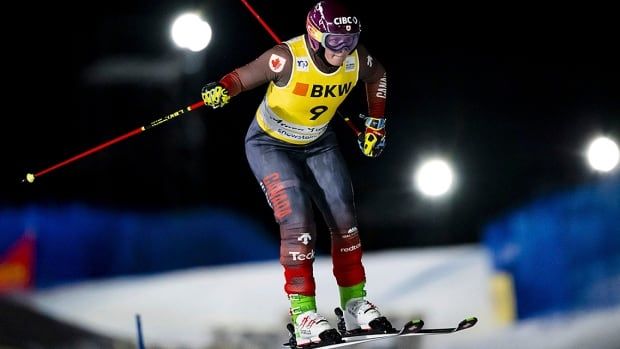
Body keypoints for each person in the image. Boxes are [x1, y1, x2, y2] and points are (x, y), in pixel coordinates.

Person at [201, 0, 391, 346]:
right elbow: (241, 77)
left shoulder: (355, 58)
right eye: (335, 41)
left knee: (344, 219)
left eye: (350, 40)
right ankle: (303, 315)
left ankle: (354, 305)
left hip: (318, 141)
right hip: (270, 145)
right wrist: (222, 89)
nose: (343, 50)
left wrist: (375, 123)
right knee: (298, 220)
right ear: (316, 37)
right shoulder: (287, 57)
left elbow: (378, 76)